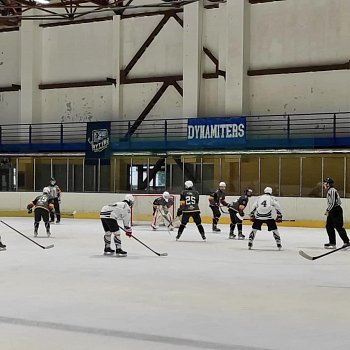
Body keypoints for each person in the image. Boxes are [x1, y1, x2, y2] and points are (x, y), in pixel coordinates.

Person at [323, 178, 350, 249]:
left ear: (328, 184)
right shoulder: (330, 190)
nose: (324, 185)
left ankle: (346, 242)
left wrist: (327, 210)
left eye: (325, 183)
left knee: (338, 227)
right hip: (333, 210)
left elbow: (333, 203)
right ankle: (332, 243)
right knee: (329, 226)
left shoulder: (332, 191)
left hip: (335, 210)